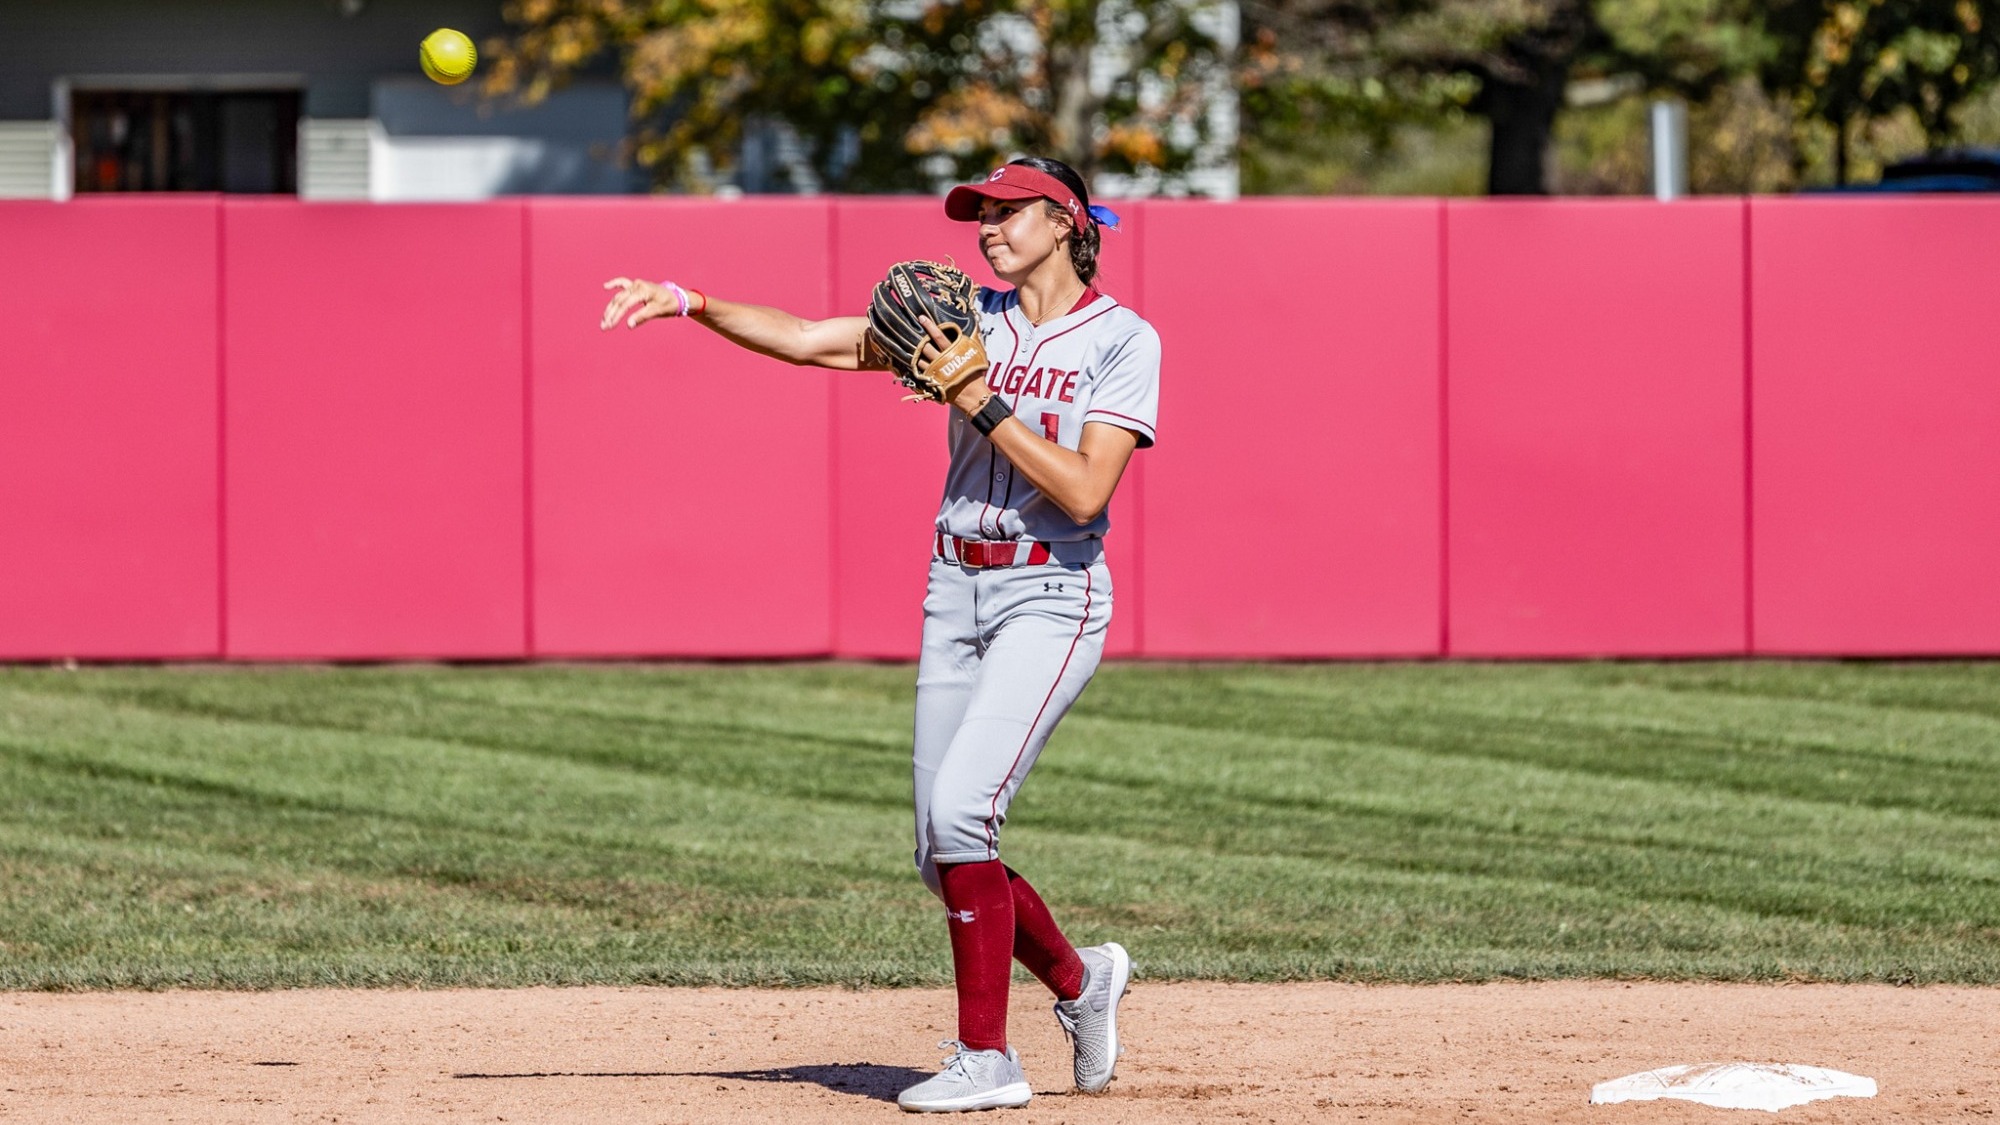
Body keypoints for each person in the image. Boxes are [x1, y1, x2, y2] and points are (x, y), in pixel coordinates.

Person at [598, 156, 1160, 1113]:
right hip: (956, 585)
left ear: (1065, 221)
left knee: (962, 815)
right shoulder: (965, 318)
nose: (985, 226)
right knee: (937, 850)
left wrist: (977, 397)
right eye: (978, 213)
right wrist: (691, 299)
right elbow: (812, 339)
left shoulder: (1124, 339)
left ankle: (988, 1058)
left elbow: (1084, 488)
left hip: (1050, 593)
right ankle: (1081, 980)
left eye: (1006, 211)